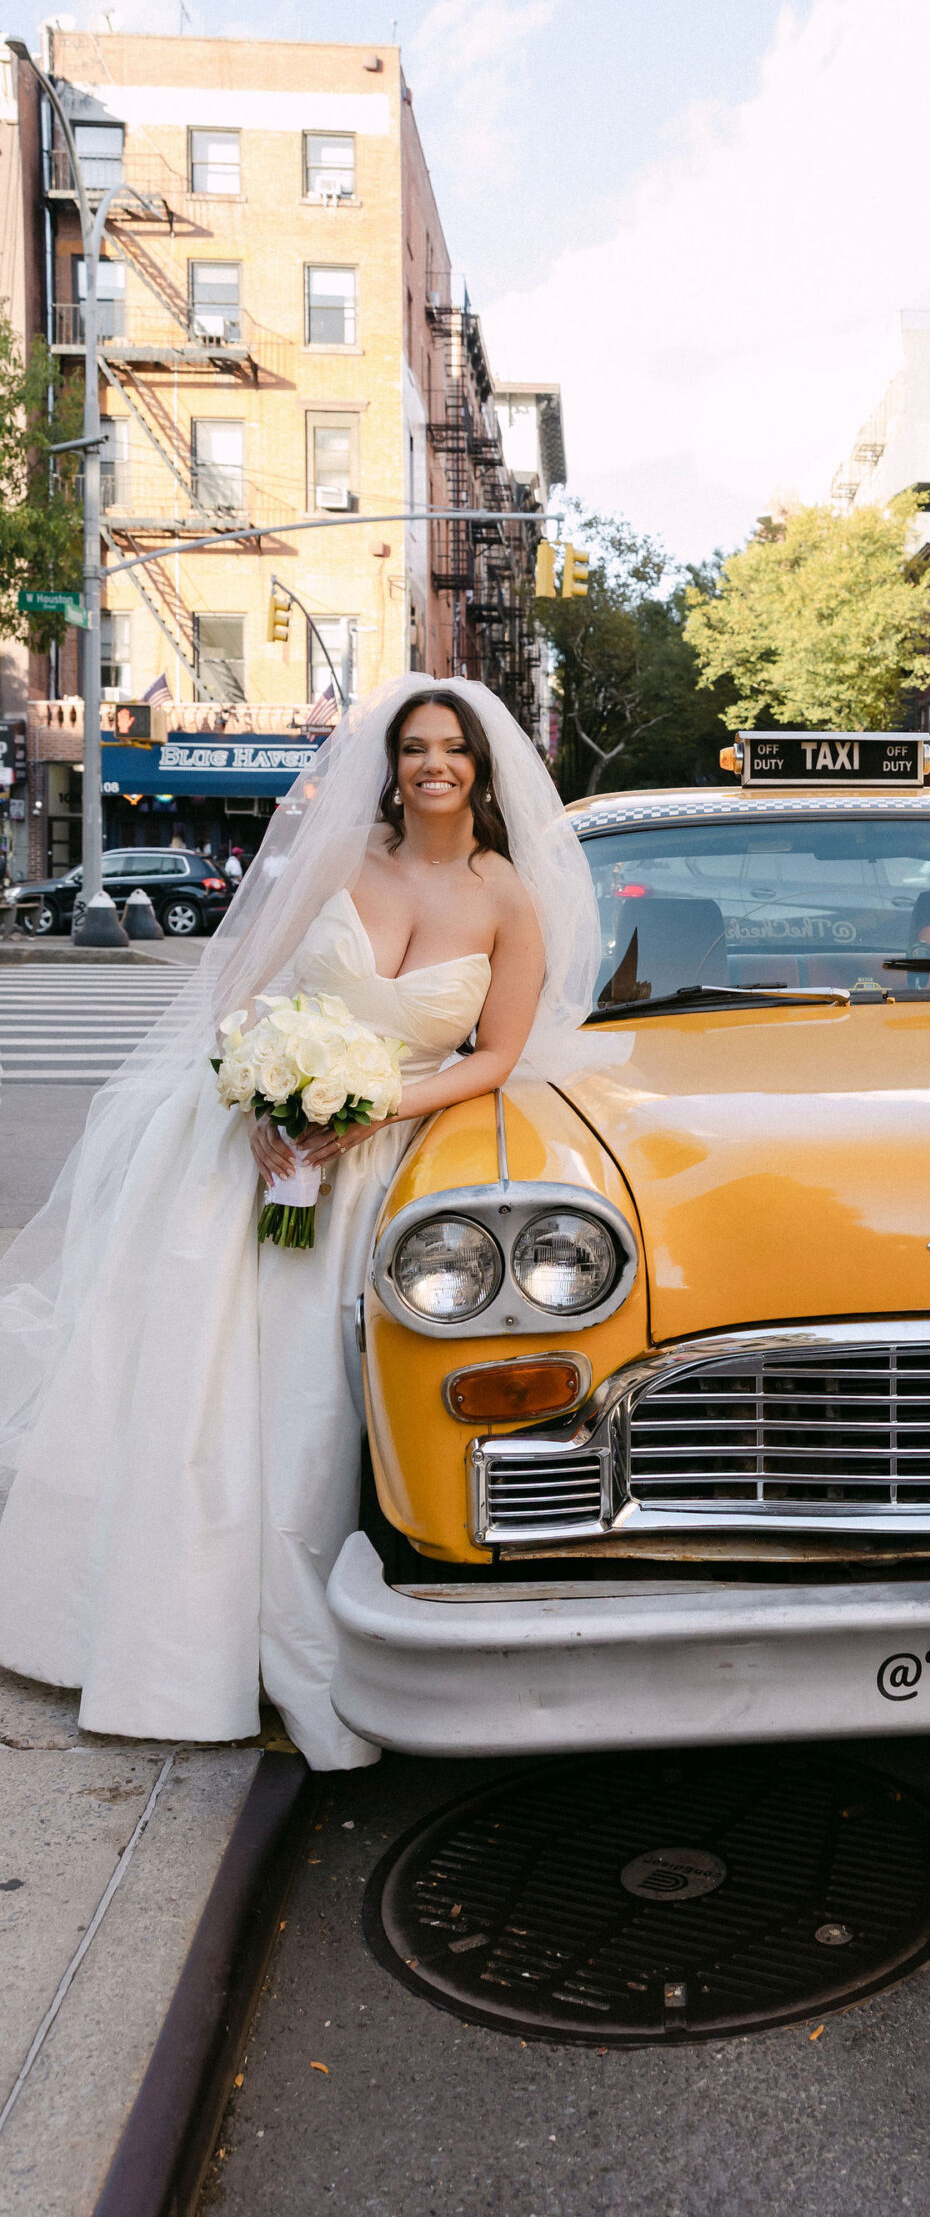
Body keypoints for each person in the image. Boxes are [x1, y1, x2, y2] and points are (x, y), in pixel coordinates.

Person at [0, 678, 599, 1769]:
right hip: (252, 1154)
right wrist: (258, 1095)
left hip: (375, 1163)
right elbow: (237, 984)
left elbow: (497, 1055)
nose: (432, 766)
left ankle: (306, 1641)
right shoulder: (341, 857)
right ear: (392, 763)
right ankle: (173, 1641)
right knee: (205, 1390)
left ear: (481, 768)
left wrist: (370, 1107)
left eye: (451, 750)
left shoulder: (509, 897)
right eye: (415, 748)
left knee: (313, 1409)